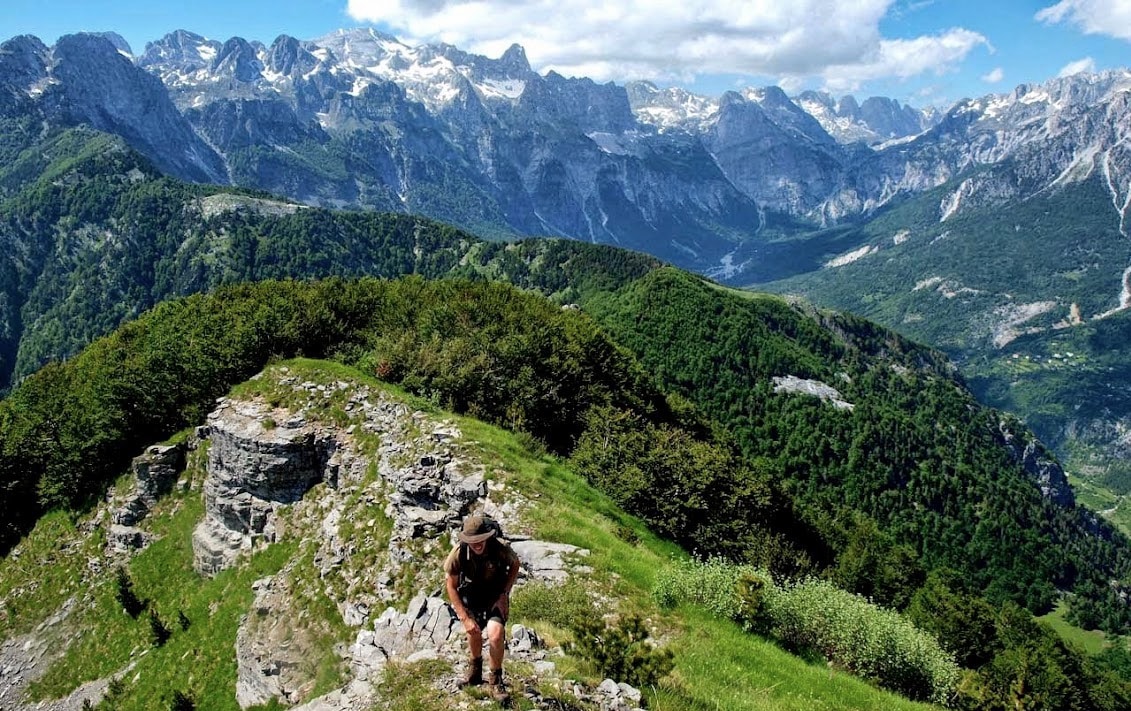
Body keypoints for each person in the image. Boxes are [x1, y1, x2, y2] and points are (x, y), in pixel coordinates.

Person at [444, 513, 521, 702]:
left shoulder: (499, 548)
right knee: (474, 632)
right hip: (471, 597)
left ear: (487, 537)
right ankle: (475, 672)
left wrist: (504, 594)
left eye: (480, 539)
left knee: (495, 634)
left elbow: (515, 564)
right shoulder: (458, 553)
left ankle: (495, 680)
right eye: (472, 540)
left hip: (495, 596)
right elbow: (451, 585)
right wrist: (464, 617)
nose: (477, 544)